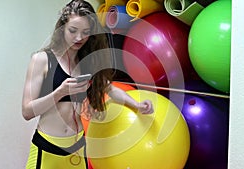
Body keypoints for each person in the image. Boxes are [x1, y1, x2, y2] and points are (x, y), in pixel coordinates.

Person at [22, 0, 154, 168]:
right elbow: (27, 111)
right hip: (47, 150)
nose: (79, 38)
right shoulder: (42, 60)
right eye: (73, 30)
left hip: (77, 150)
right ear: (62, 28)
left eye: (85, 32)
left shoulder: (87, 62)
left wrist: (137, 105)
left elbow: (111, 89)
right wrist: (60, 92)